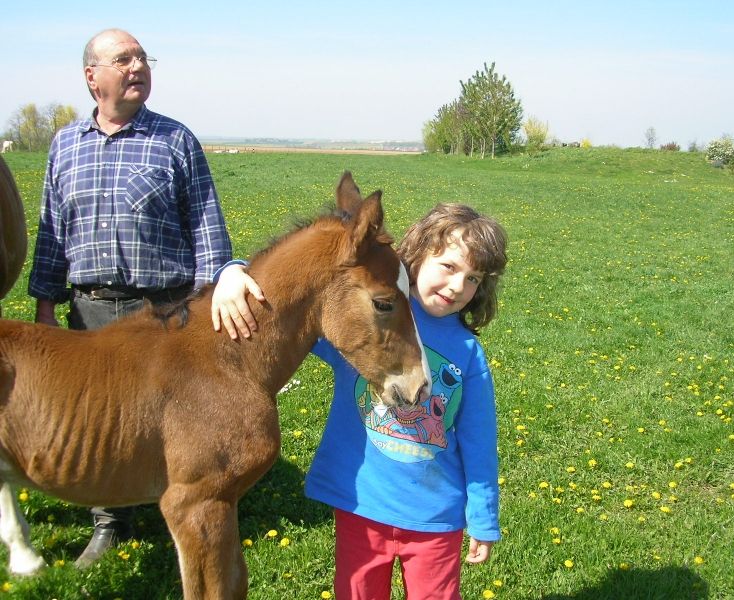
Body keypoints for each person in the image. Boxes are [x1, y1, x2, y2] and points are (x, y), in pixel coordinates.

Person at [28, 28, 260, 567]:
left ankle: (190, 502)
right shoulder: (65, 144)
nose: (137, 66)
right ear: (93, 77)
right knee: (102, 420)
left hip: (165, 311)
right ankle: (109, 523)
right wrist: (45, 303)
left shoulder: (175, 140)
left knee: (172, 421)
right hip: (90, 307)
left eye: (142, 58)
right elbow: (51, 233)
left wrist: (218, 291)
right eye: (123, 59)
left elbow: (206, 226)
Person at [213, 203, 507, 598]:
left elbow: (479, 441)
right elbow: (292, 297)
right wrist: (234, 272)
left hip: (435, 518)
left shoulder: (468, 352)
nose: (458, 287)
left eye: (473, 278)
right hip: (362, 507)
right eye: (450, 267)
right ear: (416, 256)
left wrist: (483, 518)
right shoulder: (368, 315)